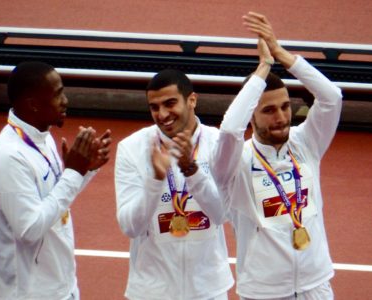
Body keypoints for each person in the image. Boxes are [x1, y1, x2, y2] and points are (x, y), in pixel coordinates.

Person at [210, 12, 343, 299]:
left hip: (316, 285)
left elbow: (332, 97)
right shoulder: (234, 162)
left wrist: (281, 53)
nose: (281, 117)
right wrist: (263, 68)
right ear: (251, 115)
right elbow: (231, 129)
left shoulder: (306, 142)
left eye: (285, 107)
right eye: (268, 110)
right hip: (264, 292)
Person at [0, 61, 112, 299]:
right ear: (33, 105)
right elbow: (31, 228)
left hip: (61, 287)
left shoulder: (43, 137)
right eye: (57, 95)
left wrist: (85, 170)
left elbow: (54, 204)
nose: (65, 101)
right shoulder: (9, 157)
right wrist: (73, 173)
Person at [114, 69, 234, 300]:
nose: (162, 114)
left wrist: (192, 171)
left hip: (208, 289)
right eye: (154, 107)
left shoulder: (218, 143)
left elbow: (223, 214)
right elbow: (130, 227)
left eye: (170, 103)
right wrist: (155, 181)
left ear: (192, 100)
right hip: (152, 291)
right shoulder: (132, 148)